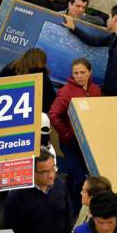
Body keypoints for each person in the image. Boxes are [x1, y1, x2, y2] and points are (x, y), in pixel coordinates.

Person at [3, 151, 72, 233]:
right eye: (45, 172)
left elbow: (68, 217)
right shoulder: (17, 196)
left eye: (53, 169)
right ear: (32, 172)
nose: (51, 175)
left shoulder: (60, 186)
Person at [49, 58, 101, 208]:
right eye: (75, 73)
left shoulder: (95, 90)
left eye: (82, 72)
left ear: (90, 72)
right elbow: (54, 114)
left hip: (89, 141)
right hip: (72, 143)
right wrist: (67, 134)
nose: (79, 76)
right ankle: (75, 207)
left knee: (76, 176)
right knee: (79, 176)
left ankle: (71, 204)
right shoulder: (66, 92)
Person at [66, 5, 117, 96]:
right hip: (112, 92)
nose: (107, 20)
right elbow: (93, 41)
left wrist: (115, 89)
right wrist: (74, 28)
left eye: (109, 17)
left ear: (115, 18)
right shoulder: (115, 36)